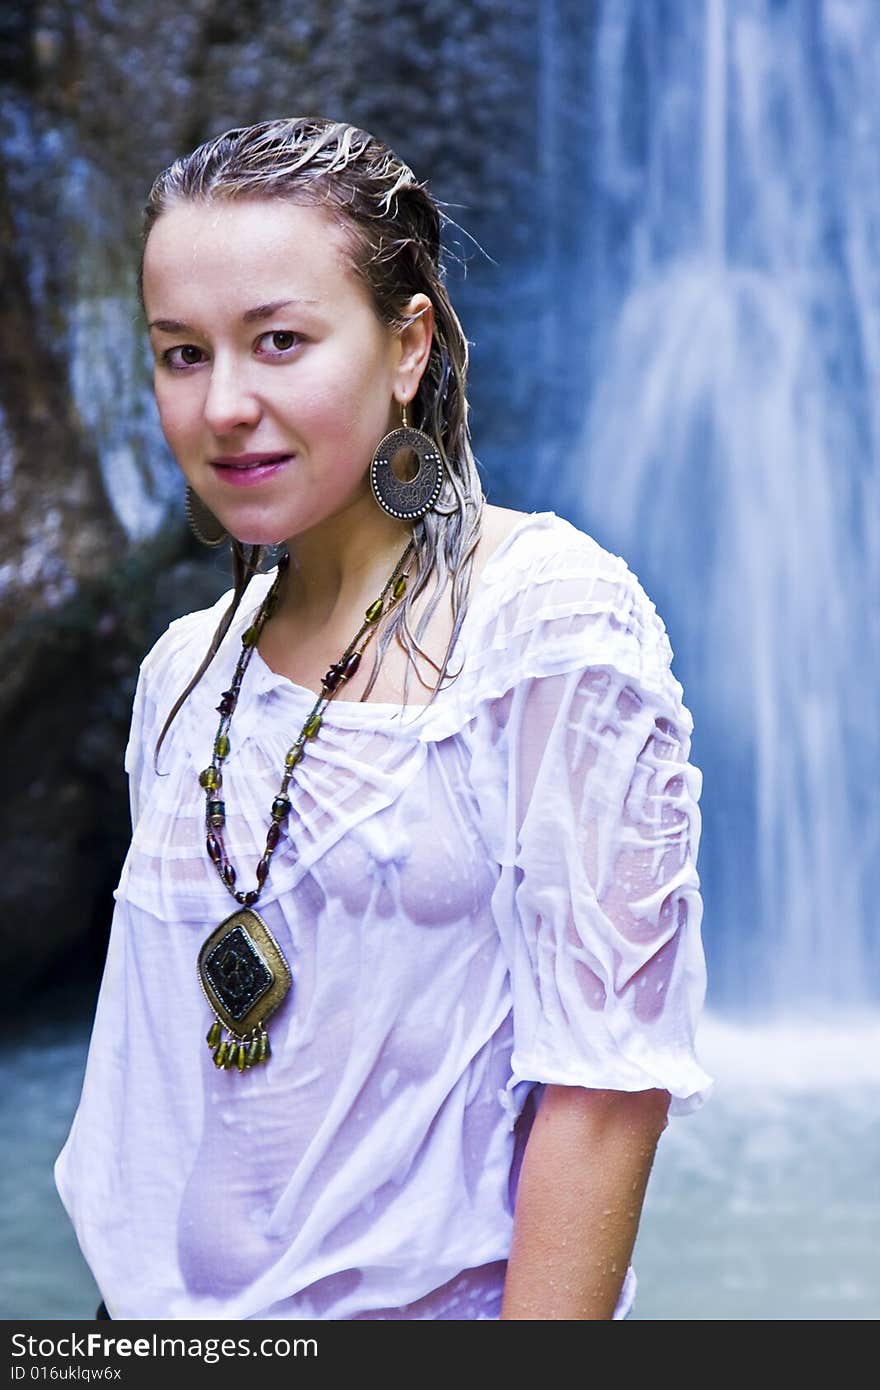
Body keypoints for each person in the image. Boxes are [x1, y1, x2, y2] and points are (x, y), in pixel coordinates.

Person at [55, 116, 712, 1321]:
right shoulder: (183, 673)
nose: (224, 406)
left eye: (280, 342)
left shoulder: (545, 622)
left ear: (407, 344)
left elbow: (605, 1089)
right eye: (182, 354)